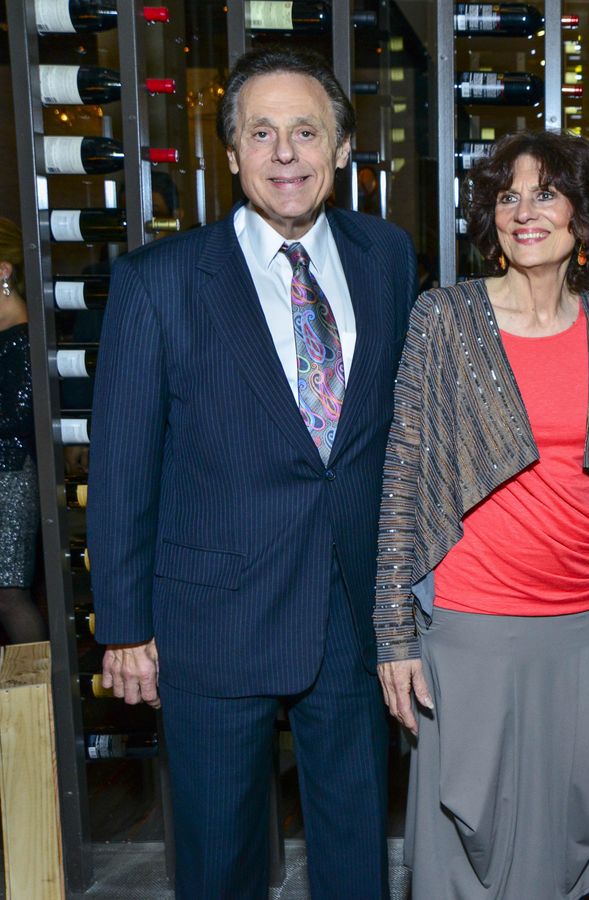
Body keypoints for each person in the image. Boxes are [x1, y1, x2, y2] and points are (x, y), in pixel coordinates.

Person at [88, 47, 418, 898]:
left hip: (349, 606)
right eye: (261, 133)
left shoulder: (385, 255)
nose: (285, 154)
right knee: (220, 856)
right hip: (212, 615)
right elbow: (124, 464)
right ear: (230, 152)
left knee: (354, 852)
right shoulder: (159, 281)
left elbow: (388, 434)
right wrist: (124, 626)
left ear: (342, 147)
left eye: (306, 132)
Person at [374, 130, 589, 899]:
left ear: (583, 216)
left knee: (575, 827)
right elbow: (403, 473)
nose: (524, 210)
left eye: (546, 192)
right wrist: (393, 633)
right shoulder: (445, 318)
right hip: (472, 623)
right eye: (507, 194)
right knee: (465, 844)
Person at [0, 218, 47, 645]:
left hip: (11, 476)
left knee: (9, 595)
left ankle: (36, 702)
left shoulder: (23, 338)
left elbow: (16, 417)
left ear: (3, 271)